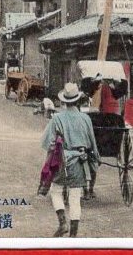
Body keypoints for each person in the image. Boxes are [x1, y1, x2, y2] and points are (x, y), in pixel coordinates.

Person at [40, 82, 99, 238]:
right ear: (78, 100)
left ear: (64, 101)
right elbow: (92, 142)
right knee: (75, 196)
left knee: (56, 191)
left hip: (62, 160)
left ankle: (62, 223)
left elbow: (48, 143)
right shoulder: (85, 118)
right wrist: (95, 161)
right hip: (80, 161)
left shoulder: (57, 118)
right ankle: (73, 235)